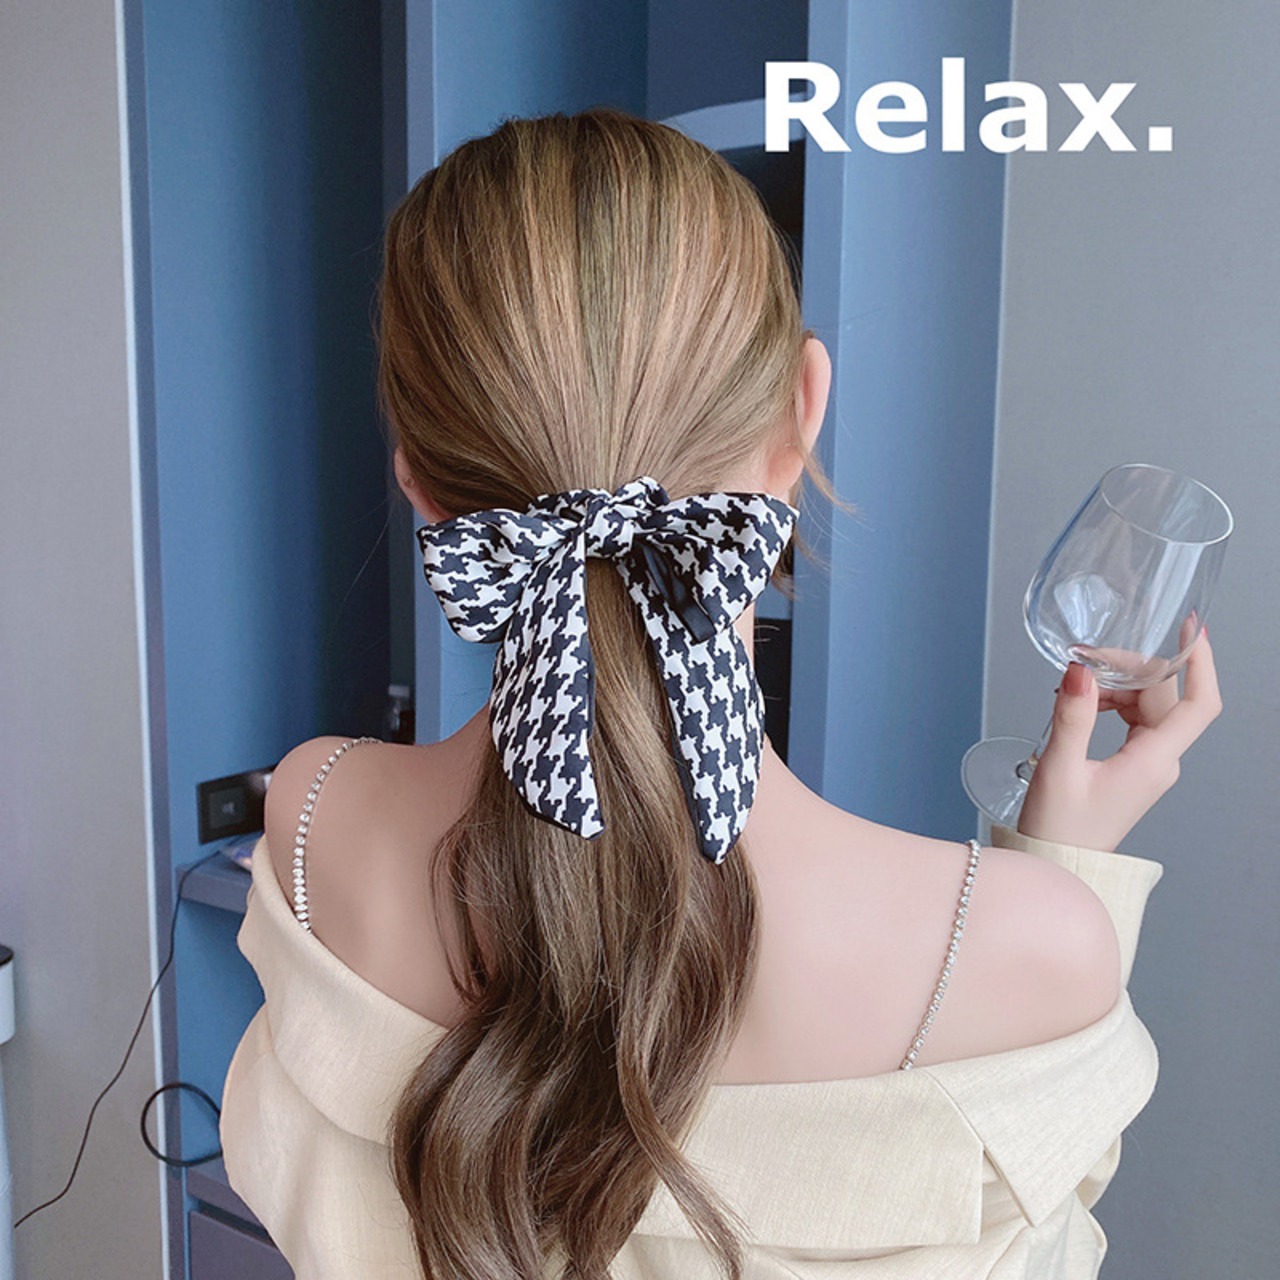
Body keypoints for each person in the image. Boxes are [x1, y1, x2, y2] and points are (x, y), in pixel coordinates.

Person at [218, 108, 1222, 1279]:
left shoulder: (312, 815)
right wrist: (1061, 873)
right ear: (802, 411)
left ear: (418, 481)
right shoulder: (1030, 951)